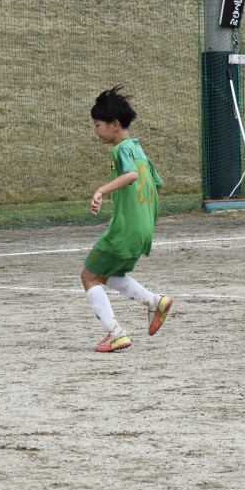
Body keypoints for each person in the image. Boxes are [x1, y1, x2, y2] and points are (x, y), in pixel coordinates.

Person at [82, 86, 173, 352]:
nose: (96, 130)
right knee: (108, 274)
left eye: (97, 125)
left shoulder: (121, 149)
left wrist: (101, 190)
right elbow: (157, 186)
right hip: (143, 229)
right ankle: (155, 302)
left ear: (114, 124)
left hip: (124, 229)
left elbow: (131, 175)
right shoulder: (139, 150)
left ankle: (116, 334)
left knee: (88, 276)